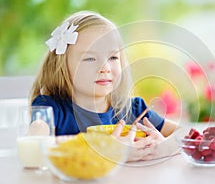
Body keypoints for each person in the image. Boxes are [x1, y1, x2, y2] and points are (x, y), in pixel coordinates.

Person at [30, 11, 178, 161]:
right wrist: (106, 148)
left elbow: (186, 134)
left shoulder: (133, 110)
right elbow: (35, 144)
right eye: (90, 58)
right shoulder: (50, 109)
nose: (105, 67)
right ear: (62, 65)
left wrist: (164, 148)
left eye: (113, 57)